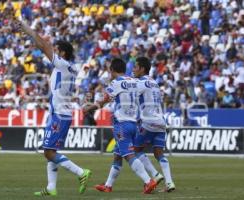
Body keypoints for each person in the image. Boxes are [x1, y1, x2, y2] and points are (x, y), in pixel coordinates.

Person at [16, 19, 91, 197]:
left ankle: (81, 173)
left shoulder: (62, 64)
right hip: (61, 113)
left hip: (60, 114)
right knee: (51, 151)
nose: (53, 52)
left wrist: (28, 30)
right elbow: (46, 47)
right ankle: (51, 187)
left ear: (62, 53)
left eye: (56, 50)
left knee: (48, 153)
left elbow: (44, 46)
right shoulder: (70, 68)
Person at [95, 57, 175, 193]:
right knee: (157, 153)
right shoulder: (154, 82)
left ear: (142, 69)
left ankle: (153, 177)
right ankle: (169, 183)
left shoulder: (139, 83)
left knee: (134, 151)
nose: (133, 70)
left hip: (145, 121)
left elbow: (127, 91)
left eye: (136, 67)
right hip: (160, 120)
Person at [83, 58, 157, 194]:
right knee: (117, 155)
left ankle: (148, 181)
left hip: (122, 124)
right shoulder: (134, 81)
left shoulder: (116, 83)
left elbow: (104, 100)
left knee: (128, 155)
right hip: (134, 123)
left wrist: (90, 108)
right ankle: (108, 185)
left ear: (112, 70)